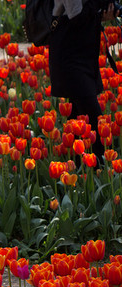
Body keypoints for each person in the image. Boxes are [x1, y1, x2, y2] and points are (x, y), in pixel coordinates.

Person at [48, 0, 119, 166]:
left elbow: (86, 16)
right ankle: (100, 171)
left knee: (79, 121)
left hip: (85, 53)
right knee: (94, 122)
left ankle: (78, 176)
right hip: (69, 57)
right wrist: (99, 8)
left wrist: (106, 12)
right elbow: (76, 15)